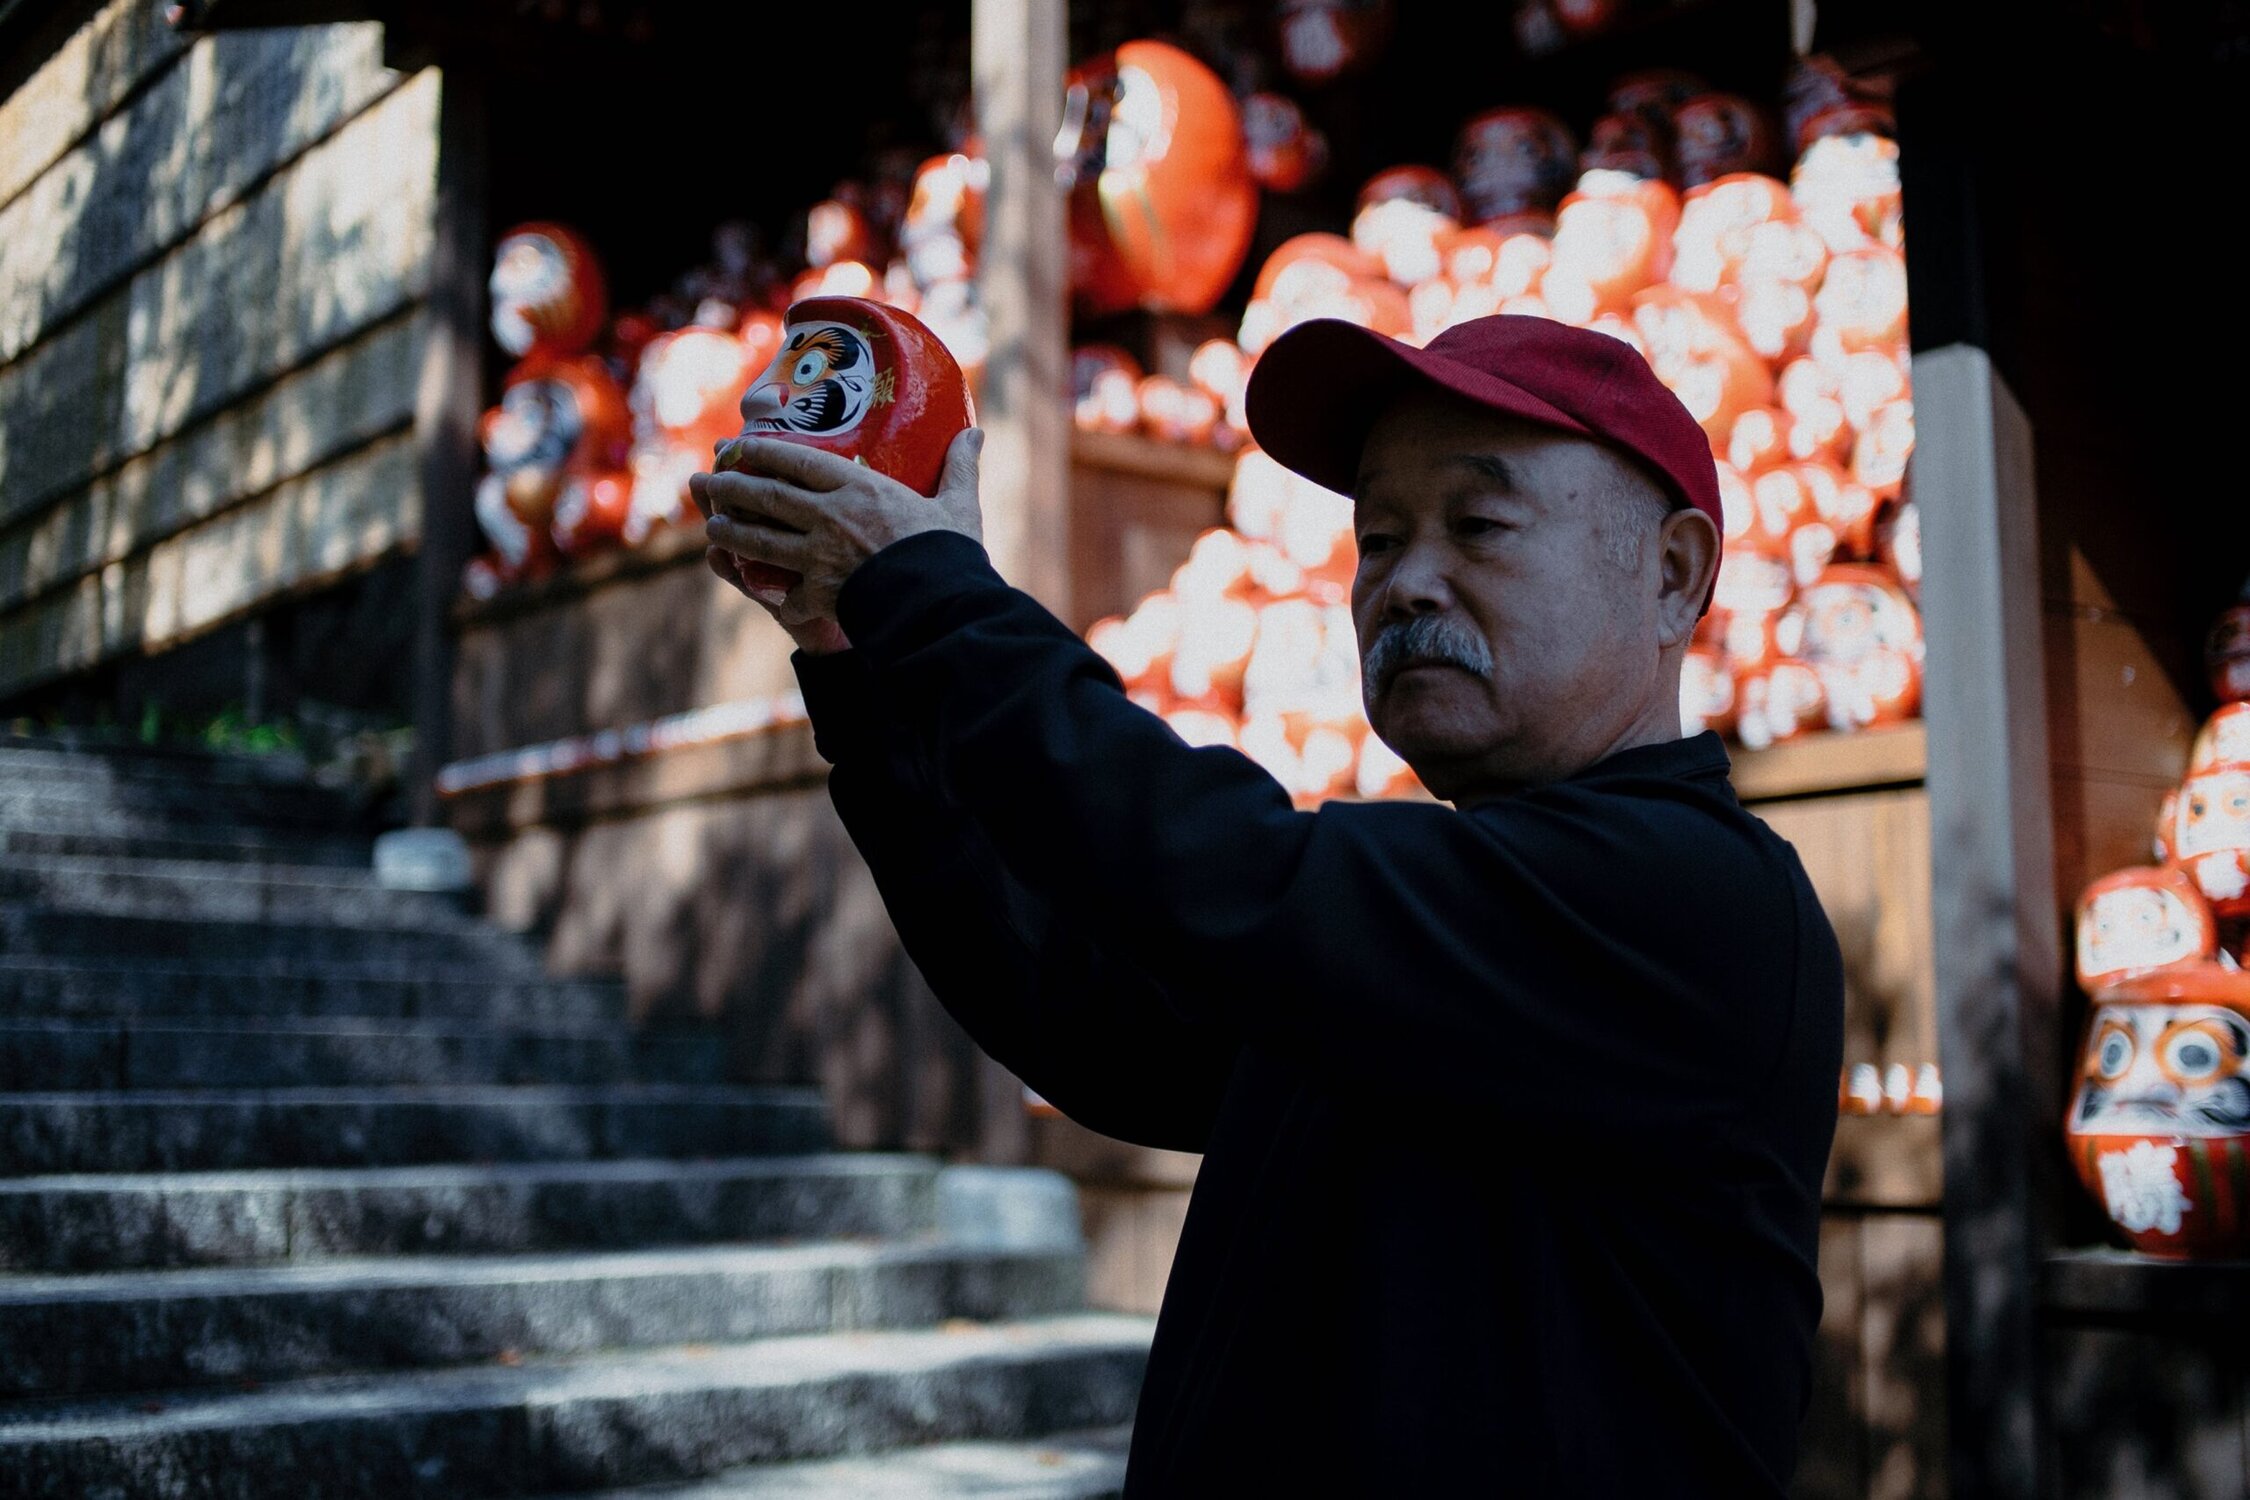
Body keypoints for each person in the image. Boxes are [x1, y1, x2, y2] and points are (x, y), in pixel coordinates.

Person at [691, 313, 1844, 1495]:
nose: (1407, 583)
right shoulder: (1405, 943)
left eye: (1480, 524)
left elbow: (1218, 873)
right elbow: (1080, 1014)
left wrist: (927, 592)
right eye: (1378, 538)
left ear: (1673, 572)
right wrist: (856, 669)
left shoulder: (1695, 898)